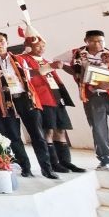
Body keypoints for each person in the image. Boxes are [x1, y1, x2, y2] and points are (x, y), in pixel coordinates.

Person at [0, 32, 56, 179]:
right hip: (4, 101)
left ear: (7, 42)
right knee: (14, 137)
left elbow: (29, 76)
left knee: (38, 135)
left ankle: (47, 169)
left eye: (1, 40)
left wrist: (50, 67)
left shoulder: (19, 58)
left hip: (25, 98)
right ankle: (25, 167)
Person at [57, 30, 109, 170]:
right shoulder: (76, 53)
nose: (98, 44)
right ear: (86, 41)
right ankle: (106, 160)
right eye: (93, 41)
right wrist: (66, 67)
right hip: (92, 96)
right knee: (98, 129)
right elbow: (56, 60)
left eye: (101, 41)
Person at [21, 37, 84, 173]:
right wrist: (50, 67)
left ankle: (66, 162)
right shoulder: (23, 59)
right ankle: (53, 163)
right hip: (42, 98)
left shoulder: (45, 60)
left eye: (43, 46)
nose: (41, 48)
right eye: (38, 46)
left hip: (56, 96)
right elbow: (26, 74)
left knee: (61, 129)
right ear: (27, 46)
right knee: (48, 130)